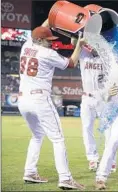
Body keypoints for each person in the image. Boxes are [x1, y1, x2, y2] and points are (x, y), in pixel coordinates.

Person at [18, 19, 86, 190]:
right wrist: (80, 45)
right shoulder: (47, 54)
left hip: (23, 100)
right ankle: (65, 178)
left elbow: (42, 28)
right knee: (57, 139)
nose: (51, 42)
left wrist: (51, 17)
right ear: (40, 40)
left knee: (37, 136)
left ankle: (30, 171)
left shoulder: (26, 45)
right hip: (40, 99)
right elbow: (71, 63)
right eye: (48, 40)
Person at [70, 37, 118, 172]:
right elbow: (74, 42)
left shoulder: (108, 57)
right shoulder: (84, 53)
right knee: (87, 128)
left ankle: (111, 161)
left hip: (104, 97)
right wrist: (83, 35)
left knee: (109, 130)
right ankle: (92, 158)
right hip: (87, 97)